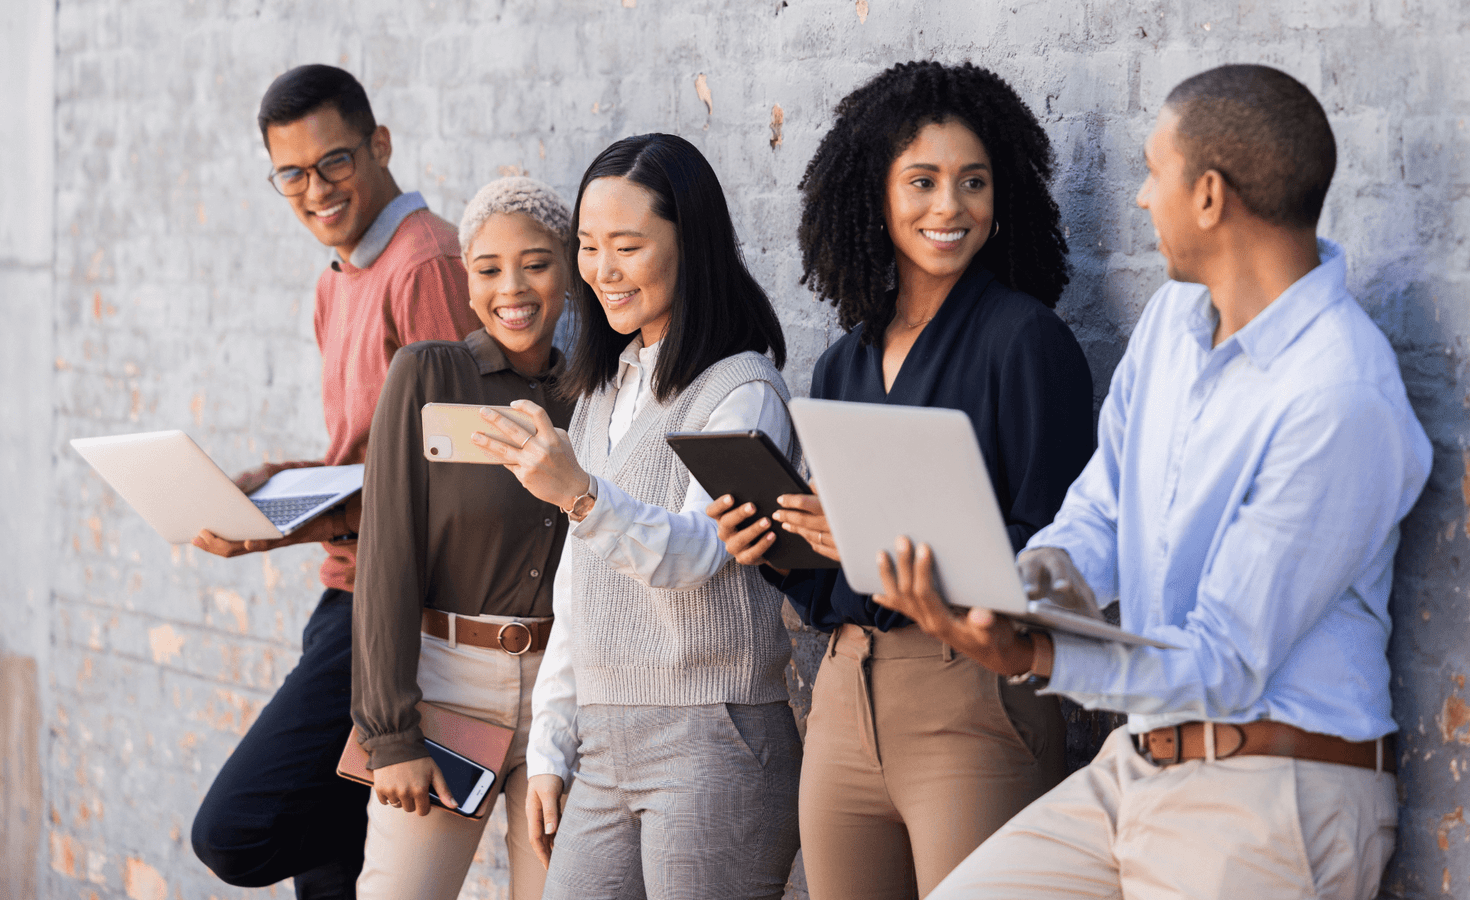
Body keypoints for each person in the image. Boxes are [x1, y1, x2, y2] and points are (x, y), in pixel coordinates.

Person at [873, 64, 1432, 900]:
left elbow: (1225, 660)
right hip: (1135, 763)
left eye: (1153, 171)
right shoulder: (1175, 321)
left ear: (1208, 197)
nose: (1141, 199)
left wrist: (1032, 649)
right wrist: (1013, 592)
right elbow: (1098, 512)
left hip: (1270, 797)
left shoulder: (1339, 395)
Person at [708, 60, 1097, 900]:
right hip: (846, 697)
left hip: (972, 694)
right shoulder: (845, 361)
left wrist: (880, 546)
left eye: (973, 183)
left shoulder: (1028, 344)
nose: (949, 206)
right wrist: (781, 550)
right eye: (921, 181)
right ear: (874, 199)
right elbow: (838, 584)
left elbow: (1057, 558)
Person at [473, 133, 802, 900]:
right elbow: (576, 589)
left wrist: (580, 494)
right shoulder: (603, 387)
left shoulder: (741, 388)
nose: (602, 271)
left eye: (627, 246)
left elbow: (696, 552)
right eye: (589, 247)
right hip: (603, 738)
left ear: (693, 245)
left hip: (712, 735)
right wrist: (551, 748)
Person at [189, 64, 480, 899]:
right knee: (330, 885)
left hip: (397, 610)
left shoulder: (427, 265)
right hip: (344, 594)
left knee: (239, 832)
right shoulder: (339, 275)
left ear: (379, 144)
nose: (314, 190)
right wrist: (277, 483)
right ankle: (369, 802)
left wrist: (290, 523)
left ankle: (387, 797)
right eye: (292, 173)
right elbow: (371, 451)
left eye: (335, 163)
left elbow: (458, 473)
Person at [348, 177, 574, 899]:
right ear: (467, 283)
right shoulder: (428, 374)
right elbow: (386, 559)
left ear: (569, 268)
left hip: (564, 700)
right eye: (489, 269)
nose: (514, 287)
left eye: (537, 263)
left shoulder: (594, 395)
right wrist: (391, 735)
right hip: (447, 690)